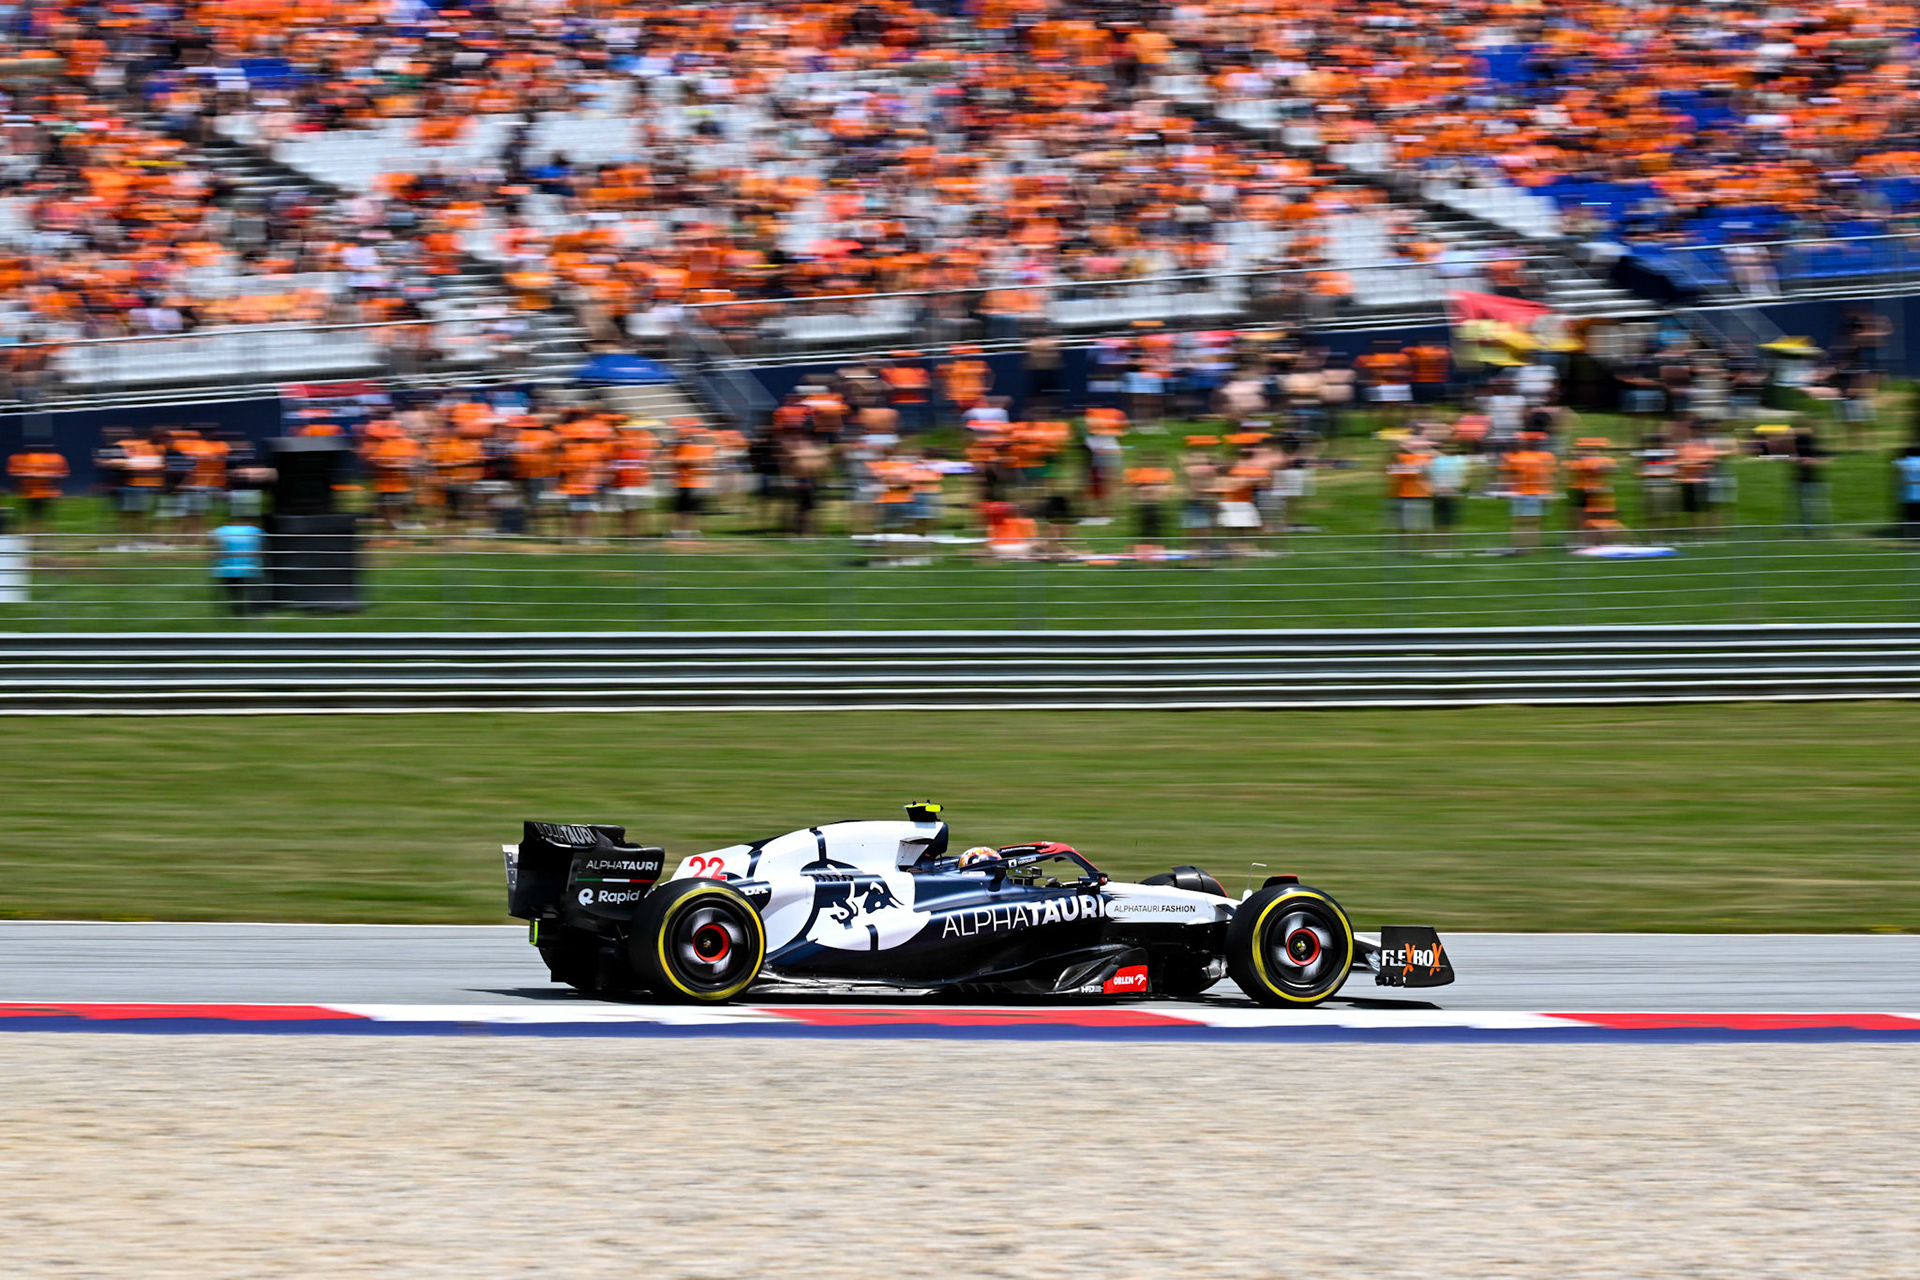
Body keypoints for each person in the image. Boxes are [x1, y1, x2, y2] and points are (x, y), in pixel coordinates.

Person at [209, 515, 265, 615]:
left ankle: (236, 608)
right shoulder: (255, 531)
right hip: (250, 569)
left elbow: (215, 548)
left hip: (227, 570)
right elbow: (262, 549)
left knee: (234, 590)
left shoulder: (221, 531)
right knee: (254, 588)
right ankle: (255, 609)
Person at [7, 443, 68, 531]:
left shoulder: (57, 458)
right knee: (32, 514)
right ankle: (34, 530)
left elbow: (62, 474)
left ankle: (42, 531)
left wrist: (44, 476)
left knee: (45, 515)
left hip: (47, 493)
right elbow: (13, 474)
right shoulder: (17, 458)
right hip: (28, 493)